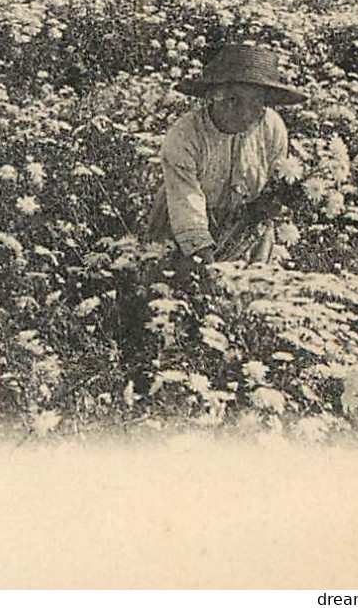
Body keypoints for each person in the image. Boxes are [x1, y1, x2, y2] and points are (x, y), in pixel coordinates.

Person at [124, 43, 306, 390]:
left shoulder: (272, 129)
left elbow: (277, 180)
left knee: (244, 301)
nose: (246, 112)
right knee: (175, 298)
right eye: (234, 99)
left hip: (247, 225)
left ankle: (238, 369)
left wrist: (270, 210)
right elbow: (186, 200)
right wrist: (203, 258)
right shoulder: (185, 136)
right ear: (214, 97)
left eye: (256, 102)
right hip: (184, 225)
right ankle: (163, 368)